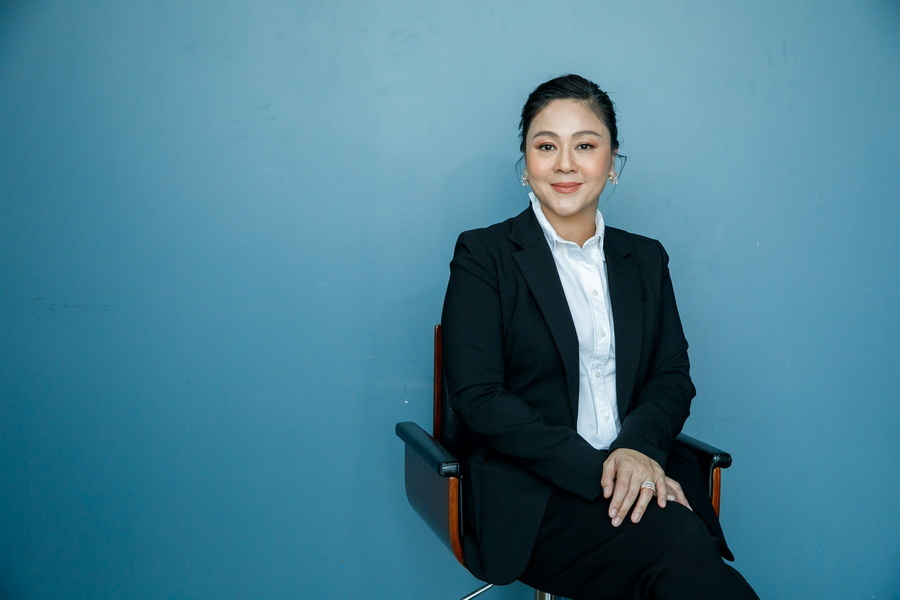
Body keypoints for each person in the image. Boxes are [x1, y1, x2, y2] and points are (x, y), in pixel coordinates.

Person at [440, 74, 758, 600]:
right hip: (535, 492)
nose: (565, 164)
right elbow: (479, 395)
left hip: (643, 471)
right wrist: (606, 471)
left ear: (612, 163)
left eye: (585, 146)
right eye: (546, 146)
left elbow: (670, 377)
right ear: (525, 163)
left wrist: (635, 451)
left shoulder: (645, 258)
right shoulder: (484, 255)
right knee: (679, 550)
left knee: (679, 554)